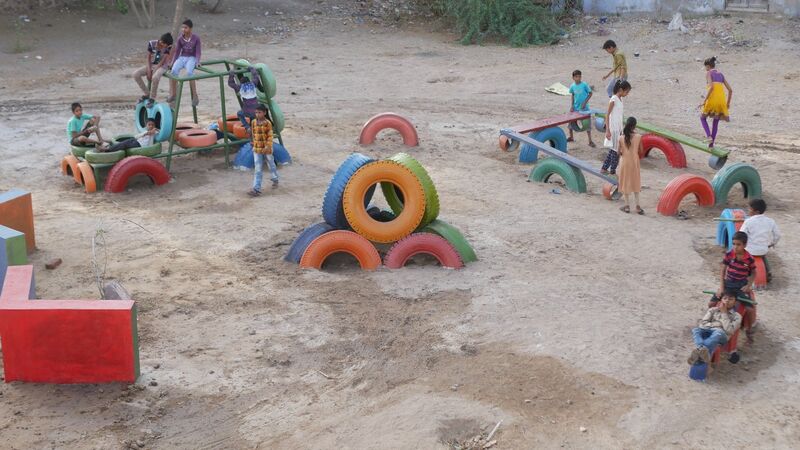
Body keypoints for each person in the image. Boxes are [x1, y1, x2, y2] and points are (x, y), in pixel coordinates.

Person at [715, 230, 757, 342]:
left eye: (738, 244)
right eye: (733, 244)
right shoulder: (729, 254)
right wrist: (721, 287)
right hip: (728, 284)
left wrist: (748, 285)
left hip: (740, 286)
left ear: (745, 245)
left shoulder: (749, 258)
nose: (735, 247)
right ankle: (711, 322)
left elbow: (754, 273)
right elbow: (722, 270)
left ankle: (750, 329)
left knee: (750, 309)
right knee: (712, 302)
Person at [688, 289, 742, 367]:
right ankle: (701, 350)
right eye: (725, 298)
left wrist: (724, 313)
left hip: (721, 336)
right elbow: (702, 323)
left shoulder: (737, 316)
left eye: (730, 299)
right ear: (721, 300)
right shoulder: (713, 310)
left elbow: (729, 330)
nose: (727, 301)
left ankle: (699, 350)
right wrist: (716, 326)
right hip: (708, 330)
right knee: (696, 330)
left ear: (735, 302)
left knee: (718, 332)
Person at [739, 198, 781, 280]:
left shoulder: (748, 221)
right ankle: (768, 272)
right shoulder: (770, 221)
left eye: (750, 209)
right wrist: (772, 243)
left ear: (756, 211)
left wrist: (743, 245)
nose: (748, 210)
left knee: (742, 257)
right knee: (763, 257)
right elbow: (778, 235)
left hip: (750, 250)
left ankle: (743, 272)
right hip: (763, 249)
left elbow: (741, 234)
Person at [699, 56, 733, 149]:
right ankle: (711, 145)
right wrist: (728, 103)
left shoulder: (708, 73)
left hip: (712, 100)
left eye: (705, 67)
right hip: (721, 101)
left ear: (708, 66)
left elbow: (711, 87)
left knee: (702, 118)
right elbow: (730, 90)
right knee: (715, 122)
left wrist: (704, 100)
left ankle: (709, 136)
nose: (705, 69)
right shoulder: (721, 74)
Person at [133, 33, 173, 108]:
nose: (166, 47)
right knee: (136, 74)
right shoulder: (152, 43)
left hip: (163, 66)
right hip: (151, 64)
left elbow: (163, 60)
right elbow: (148, 58)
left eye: (167, 46)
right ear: (161, 41)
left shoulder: (168, 46)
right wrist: (149, 70)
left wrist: (155, 69)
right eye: (165, 45)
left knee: (155, 77)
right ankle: (146, 93)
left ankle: (152, 98)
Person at [168, 19, 202, 107]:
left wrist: (197, 61)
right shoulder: (180, 38)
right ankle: (174, 94)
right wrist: (172, 62)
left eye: (185, 27)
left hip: (191, 58)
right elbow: (177, 52)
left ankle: (195, 95)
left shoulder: (196, 38)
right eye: (182, 27)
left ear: (190, 28)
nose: (183, 29)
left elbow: (198, 52)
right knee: (173, 71)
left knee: (190, 72)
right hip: (182, 57)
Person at [248, 104, 279, 197]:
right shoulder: (253, 122)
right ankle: (256, 189)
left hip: (267, 149)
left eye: (259, 112)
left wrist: (268, 146)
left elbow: (270, 136)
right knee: (258, 169)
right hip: (257, 149)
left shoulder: (267, 123)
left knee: (271, 164)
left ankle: (275, 179)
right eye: (256, 112)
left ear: (265, 113)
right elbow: (253, 133)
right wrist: (252, 142)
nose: (257, 114)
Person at [601, 80, 631, 175]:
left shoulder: (620, 99)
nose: (627, 94)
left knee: (613, 150)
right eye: (626, 92)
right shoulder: (613, 99)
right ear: (621, 90)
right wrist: (607, 130)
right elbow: (607, 114)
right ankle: (612, 171)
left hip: (618, 128)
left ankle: (604, 168)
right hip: (613, 129)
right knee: (616, 151)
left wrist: (622, 130)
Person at [617, 117, 643, 214]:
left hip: (624, 161)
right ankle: (638, 206)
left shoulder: (621, 137)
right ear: (634, 126)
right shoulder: (639, 137)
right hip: (634, 161)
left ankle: (627, 206)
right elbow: (641, 151)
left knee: (624, 182)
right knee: (635, 181)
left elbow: (618, 152)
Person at [228, 66, 262, 132]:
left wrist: (231, 74)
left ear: (241, 83)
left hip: (247, 111)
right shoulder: (253, 84)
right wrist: (251, 69)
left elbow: (231, 83)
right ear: (249, 81)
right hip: (256, 111)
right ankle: (254, 129)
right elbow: (256, 76)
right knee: (253, 117)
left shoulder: (240, 87)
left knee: (239, 114)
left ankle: (247, 127)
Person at [567, 69, 595, 147]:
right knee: (570, 122)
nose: (578, 78)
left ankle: (590, 141)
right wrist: (572, 105)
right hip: (575, 108)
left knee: (587, 124)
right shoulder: (572, 86)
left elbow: (590, 93)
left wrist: (584, 103)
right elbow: (572, 95)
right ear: (573, 78)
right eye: (576, 77)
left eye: (579, 76)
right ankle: (571, 137)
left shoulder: (584, 85)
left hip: (584, 108)